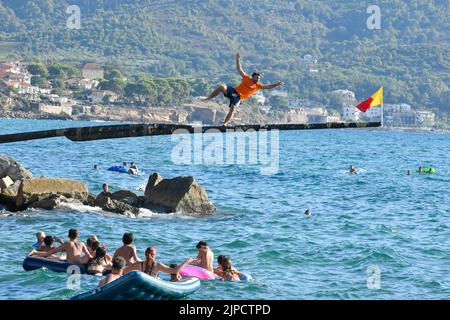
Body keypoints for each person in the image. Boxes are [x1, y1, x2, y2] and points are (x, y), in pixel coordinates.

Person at [203, 52, 284, 125]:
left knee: (233, 109)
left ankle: (225, 124)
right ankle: (208, 98)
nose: (257, 79)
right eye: (256, 78)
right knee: (222, 86)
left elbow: (268, 87)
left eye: (259, 78)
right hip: (233, 91)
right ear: (252, 77)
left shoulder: (258, 86)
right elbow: (239, 68)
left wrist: (276, 84)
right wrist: (238, 59)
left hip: (239, 97)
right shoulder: (246, 78)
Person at [124, 246, 193, 278]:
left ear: (145, 254)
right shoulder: (157, 265)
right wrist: (187, 261)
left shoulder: (139, 264)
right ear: (154, 255)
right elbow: (174, 271)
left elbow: (124, 270)